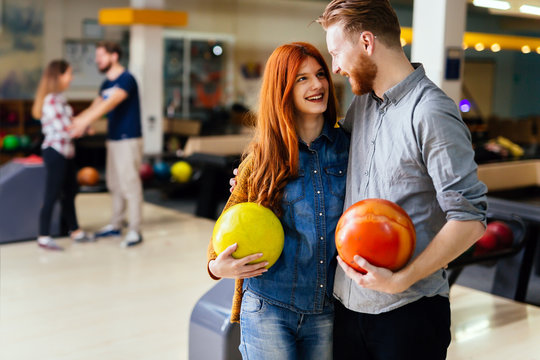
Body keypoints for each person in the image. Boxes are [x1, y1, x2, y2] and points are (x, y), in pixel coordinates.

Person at [316, 1, 488, 359]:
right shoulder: (362, 105)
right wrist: (255, 173)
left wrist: (400, 280)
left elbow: (469, 220)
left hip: (408, 312)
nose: (334, 67)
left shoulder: (432, 111)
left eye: (336, 53)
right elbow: (323, 159)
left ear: (366, 42)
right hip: (348, 305)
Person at [207, 42, 349, 359]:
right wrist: (217, 267)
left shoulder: (348, 149)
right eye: (301, 78)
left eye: (320, 74)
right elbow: (227, 226)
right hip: (268, 307)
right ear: (282, 88)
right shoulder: (263, 157)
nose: (317, 85)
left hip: (326, 310)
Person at [70, 41, 144, 248]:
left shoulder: (126, 79)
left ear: (114, 56)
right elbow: (96, 105)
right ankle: (116, 224)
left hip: (128, 138)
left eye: (101, 56)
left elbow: (109, 104)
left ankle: (135, 231)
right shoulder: (106, 84)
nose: (97, 60)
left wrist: (83, 122)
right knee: (114, 183)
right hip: (113, 139)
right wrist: (78, 122)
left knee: (130, 185)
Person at [32, 59, 94, 251]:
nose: (71, 77)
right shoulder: (51, 100)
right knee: (52, 193)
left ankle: (75, 231)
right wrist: (82, 128)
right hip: (55, 152)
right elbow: (64, 130)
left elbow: (69, 123)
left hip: (66, 152)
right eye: (69, 73)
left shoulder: (60, 98)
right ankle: (43, 236)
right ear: (58, 76)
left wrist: (82, 125)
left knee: (70, 191)